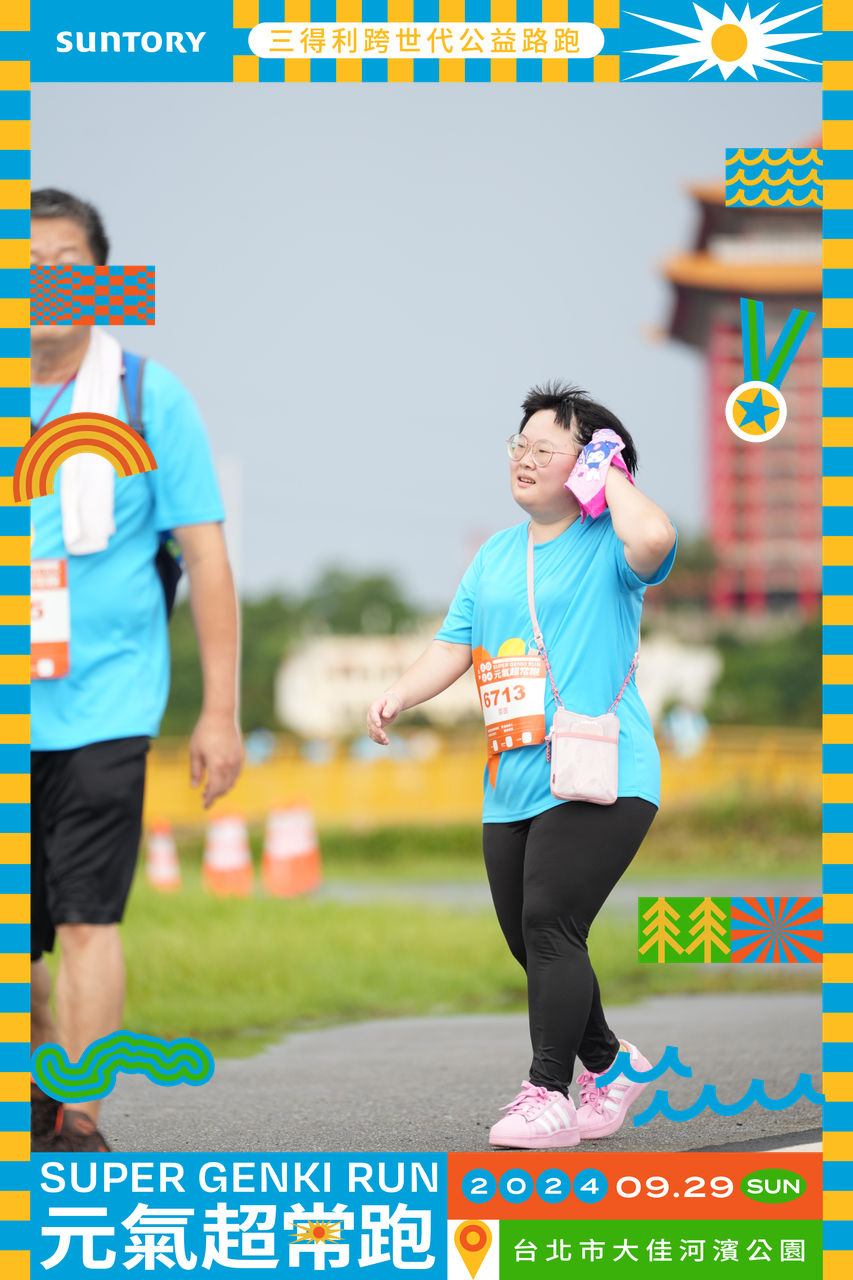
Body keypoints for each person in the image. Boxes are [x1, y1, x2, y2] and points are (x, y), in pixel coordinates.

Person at [367, 381, 676, 1148]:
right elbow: (453, 645)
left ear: (588, 463)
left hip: (602, 770)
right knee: (529, 937)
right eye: (519, 445)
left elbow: (656, 539)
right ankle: (611, 1064)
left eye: (545, 448)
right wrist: (399, 694)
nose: (524, 459)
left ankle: (547, 1094)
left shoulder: (609, 543)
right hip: (512, 779)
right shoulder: (495, 556)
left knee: (548, 923)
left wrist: (611, 476)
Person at [29, 190, 244, 1151]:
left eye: (65, 260)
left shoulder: (149, 398)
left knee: (85, 918)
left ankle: (77, 1116)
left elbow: (206, 557)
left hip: (105, 706)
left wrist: (219, 712)